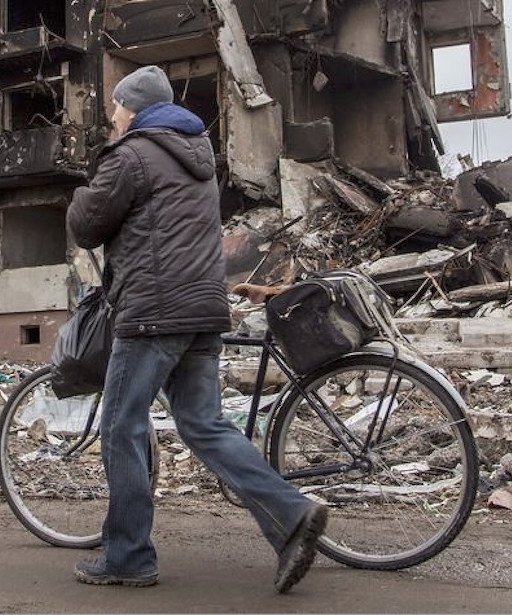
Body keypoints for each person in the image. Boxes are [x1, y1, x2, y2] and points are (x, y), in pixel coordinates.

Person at [65, 65, 328, 593]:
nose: (113, 116)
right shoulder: (199, 155)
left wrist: (78, 193)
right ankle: (290, 514)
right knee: (204, 424)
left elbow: (87, 226)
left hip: (152, 313)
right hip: (203, 311)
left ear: (134, 108)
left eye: (117, 106)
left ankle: (128, 556)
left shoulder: (133, 155)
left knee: (120, 426)